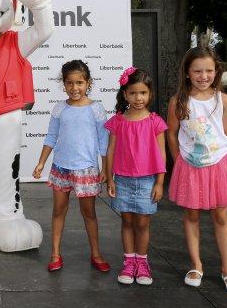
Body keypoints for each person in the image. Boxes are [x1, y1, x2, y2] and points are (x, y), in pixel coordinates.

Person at [167, 46, 227, 295]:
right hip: (189, 165)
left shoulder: (223, 99)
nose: (204, 76)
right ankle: (196, 265)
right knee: (191, 215)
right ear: (187, 73)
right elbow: (171, 132)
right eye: (197, 71)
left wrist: (215, 156)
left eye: (209, 70)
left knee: (221, 217)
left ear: (216, 71)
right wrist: (179, 159)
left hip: (219, 165)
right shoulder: (178, 101)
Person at [33, 60, 110, 272]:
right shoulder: (59, 109)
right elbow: (51, 137)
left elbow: (104, 141)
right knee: (58, 211)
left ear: (88, 83)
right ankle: (55, 253)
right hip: (61, 168)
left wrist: (105, 169)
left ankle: (96, 253)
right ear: (63, 84)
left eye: (79, 83)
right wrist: (41, 163)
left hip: (86, 169)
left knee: (89, 213)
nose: (74, 88)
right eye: (69, 83)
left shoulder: (96, 109)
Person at [105, 67, 167, 285]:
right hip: (122, 179)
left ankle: (142, 263)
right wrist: (109, 178)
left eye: (142, 93)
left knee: (142, 223)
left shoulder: (155, 122)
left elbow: (161, 153)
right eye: (133, 93)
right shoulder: (118, 121)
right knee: (127, 221)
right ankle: (129, 262)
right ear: (125, 94)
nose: (138, 98)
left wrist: (160, 182)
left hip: (147, 181)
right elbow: (110, 150)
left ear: (150, 94)